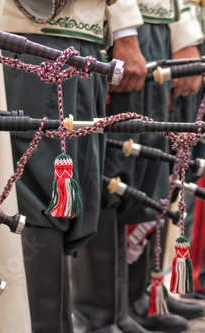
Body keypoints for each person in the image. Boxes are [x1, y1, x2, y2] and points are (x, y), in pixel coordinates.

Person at [0, 0, 144, 332]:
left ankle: (72, 323)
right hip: (24, 34)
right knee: (36, 193)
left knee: (73, 188)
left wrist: (125, 30)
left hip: (85, 36)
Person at [100, 1, 204, 332]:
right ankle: (102, 312)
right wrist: (125, 29)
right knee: (114, 173)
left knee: (150, 169)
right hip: (124, 25)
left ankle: (135, 296)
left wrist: (184, 34)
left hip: (157, 23)